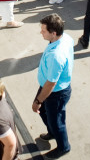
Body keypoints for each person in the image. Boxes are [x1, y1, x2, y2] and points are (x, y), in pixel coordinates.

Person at [32, 14, 74, 159]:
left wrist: (38, 101)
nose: (41, 32)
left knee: (57, 122)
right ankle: (52, 131)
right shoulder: (65, 37)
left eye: (43, 30)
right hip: (48, 88)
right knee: (45, 113)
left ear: (53, 33)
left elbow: (51, 83)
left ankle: (63, 147)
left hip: (55, 92)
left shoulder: (56, 56)